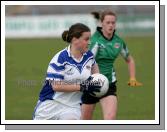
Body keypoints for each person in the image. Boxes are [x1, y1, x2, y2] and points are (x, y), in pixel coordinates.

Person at [81, 10, 142, 120]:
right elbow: (85, 62)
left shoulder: (118, 42)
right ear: (102, 23)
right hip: (91, 85)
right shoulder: (95, 41)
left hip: (108, 84)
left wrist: (132, 78)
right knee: (84, 121)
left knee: (110, 118)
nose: (111, 25)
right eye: (108, 22)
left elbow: (129, 60)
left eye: (113, 23)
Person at [33, 23, 101, 120]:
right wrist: (83, 87)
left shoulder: (89, 56)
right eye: (86, 39)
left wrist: (99, 86)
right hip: (50, 104)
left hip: (73, 107)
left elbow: (97, 77)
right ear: (74, 39)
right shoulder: (60, 58)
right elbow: (56, 86)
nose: (89, 42)